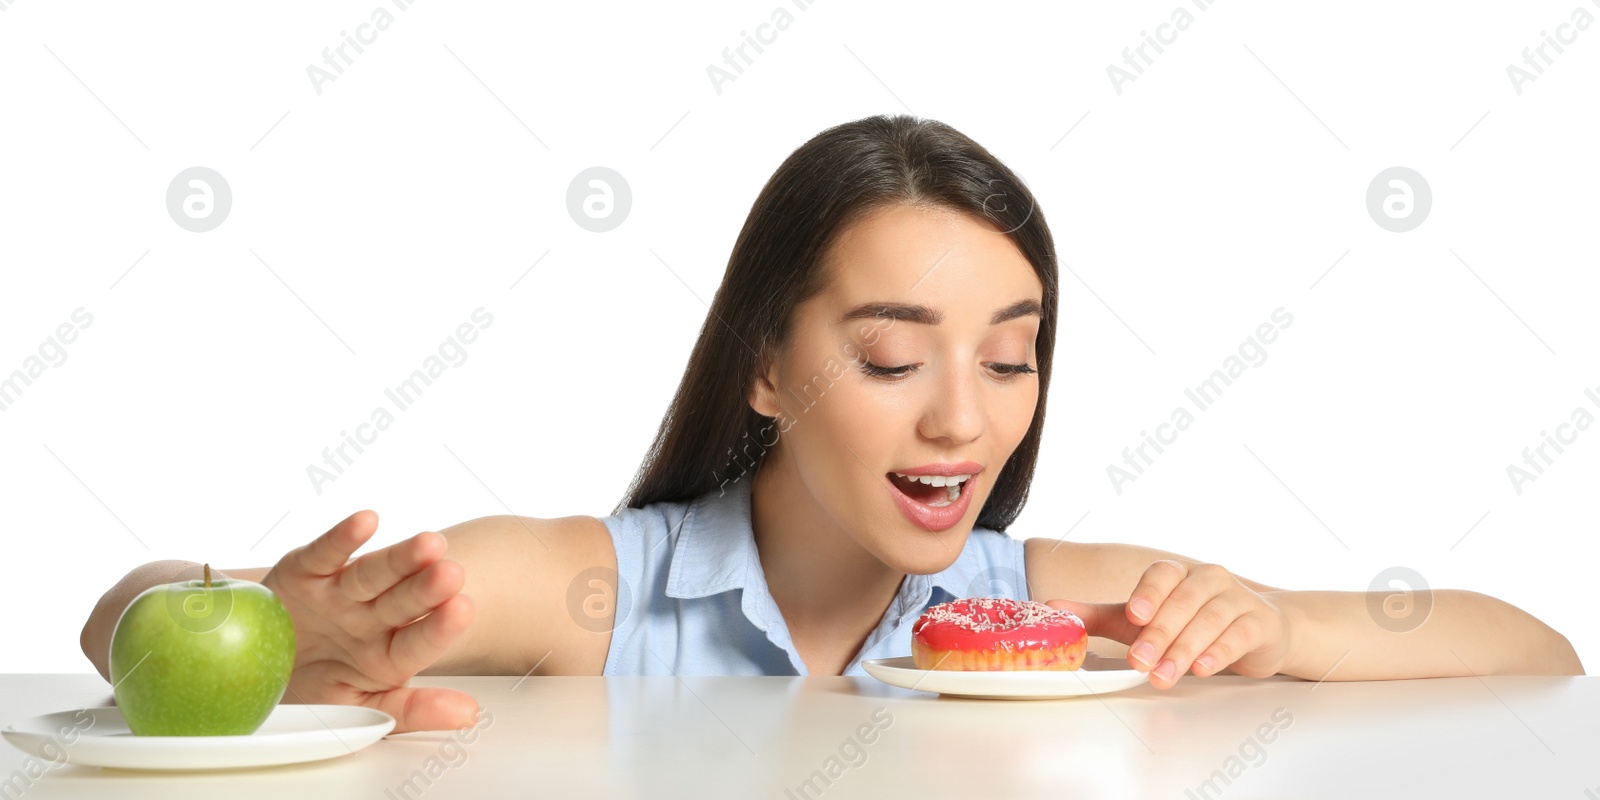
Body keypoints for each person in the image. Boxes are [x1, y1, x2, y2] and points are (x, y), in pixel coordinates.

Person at [80, 115, 1584, 735]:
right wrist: (279, 623)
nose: (960, 418)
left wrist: (1271, 624)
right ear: (763, 366)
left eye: (1011, 360)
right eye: (889, 356)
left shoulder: (1055, 606)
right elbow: (120, 621)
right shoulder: (592, 595)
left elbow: (1536, 652)